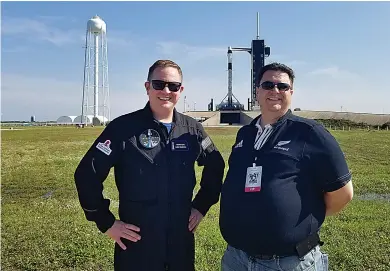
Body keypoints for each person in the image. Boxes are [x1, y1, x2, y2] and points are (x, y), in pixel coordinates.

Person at [74, 59, 225, 271]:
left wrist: (201, 206)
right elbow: (87, 174)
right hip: (138, 243)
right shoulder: (123, 128)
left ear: (180, 90)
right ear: (147, 87)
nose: (166, 90)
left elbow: (215, 164)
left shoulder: (192, 129)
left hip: (179, 244)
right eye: (158, 84)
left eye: (173, 86)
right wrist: (105, 221)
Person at [219, 62, 353, 271]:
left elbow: (343, 194)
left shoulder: (310, 133)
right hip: (237, 258)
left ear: (291, 92)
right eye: (268, 85)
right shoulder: (245, 134)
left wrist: (302, 220)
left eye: (282, 86)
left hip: (289, 262)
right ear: (257, 91)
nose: (275, 91)